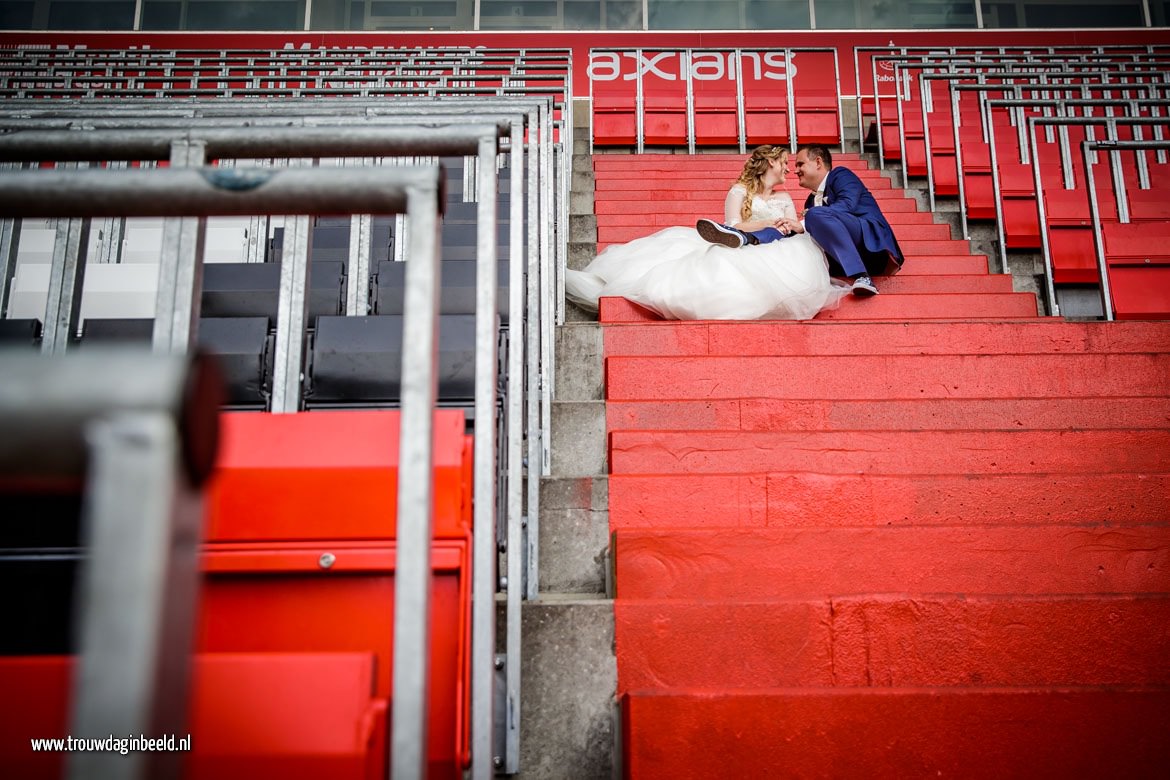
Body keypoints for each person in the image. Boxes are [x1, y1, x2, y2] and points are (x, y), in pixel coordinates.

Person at [564, 145, 849, 321]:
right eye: (785, 161)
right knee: (713, 254)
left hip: (778, 241)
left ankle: (748, 246)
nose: (790, 167)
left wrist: (784, 225)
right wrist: (764, 224)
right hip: (743, 235)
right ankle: (737, 244)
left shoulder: (785, 197)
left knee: (788, 247)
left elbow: (791, 225)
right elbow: (733, 222)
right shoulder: (739, 191)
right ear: (769, 163)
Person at [770, 144, 904, 296]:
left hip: (871, 248)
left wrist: (804, 223)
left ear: (818, 162)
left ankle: (862, 277)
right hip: (838, 260)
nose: (795, 171)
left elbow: (847, 204)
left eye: (800, 164)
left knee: (813, 215)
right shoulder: (810, 201)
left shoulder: (840, 175)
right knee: (791, 233)